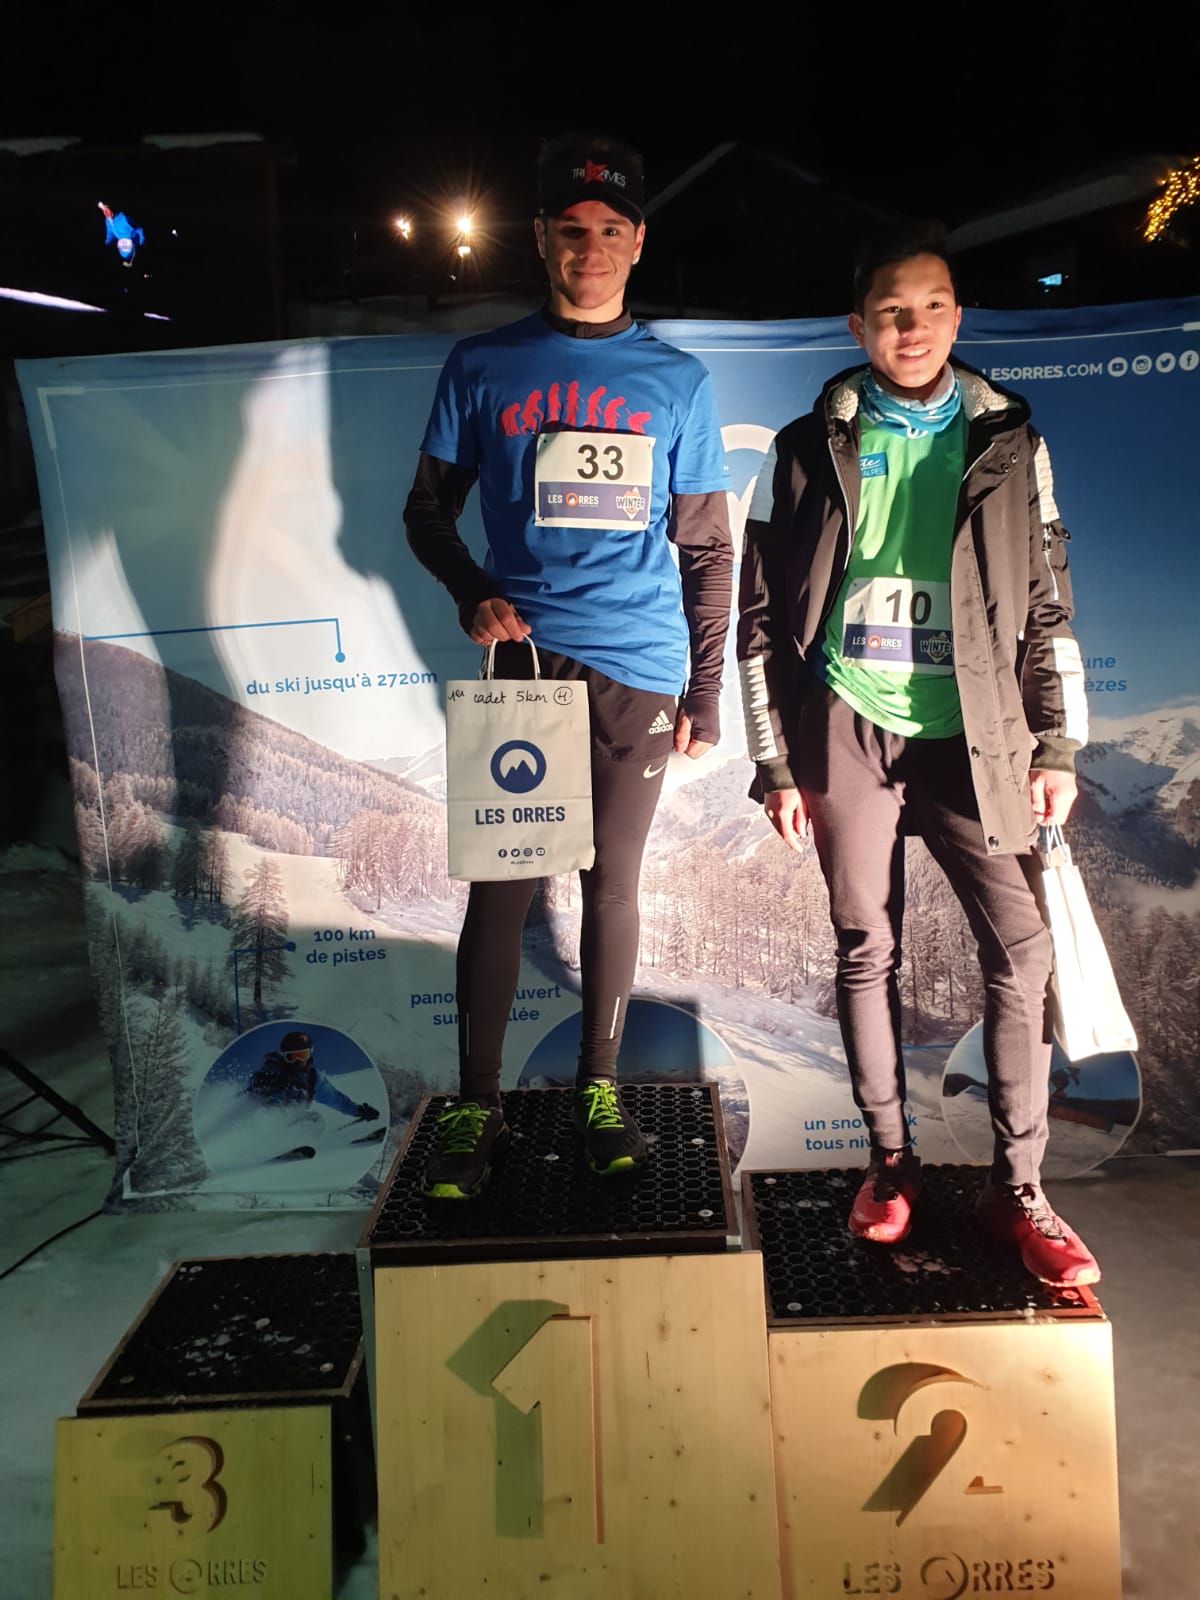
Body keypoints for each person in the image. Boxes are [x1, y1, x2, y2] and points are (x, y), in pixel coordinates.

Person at [737, 234, 1099, 1288]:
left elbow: (1048, 608)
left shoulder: (1012, 441)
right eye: (892, 311)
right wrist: (774, 762)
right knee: (867, 945)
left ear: (957, 318)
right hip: (845, 723)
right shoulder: (803, 447)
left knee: (1021, 951)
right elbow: (757, 618)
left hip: (972, 732)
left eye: (933, 307)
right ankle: (890, 1162)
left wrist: (1056, 742)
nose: (914, 328)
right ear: (859, 326)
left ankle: (1017, 1187)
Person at [404, 131, 732, 1199]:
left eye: (610, 231)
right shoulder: (482, 364)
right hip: (527, 664)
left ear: (637, 243)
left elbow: (707, 548)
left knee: (612, 885)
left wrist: (707, 691)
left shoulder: (677, 381)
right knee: (501, 890)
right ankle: (477, 1107)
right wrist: (470, 589)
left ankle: (601, 1091)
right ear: (543, 238)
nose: (590, 249)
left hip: (639, 669)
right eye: (571, 230)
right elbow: (425, 511)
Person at [247, 1030, 379, 1121]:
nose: (298, 1061)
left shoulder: (313, 1079)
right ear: (284, 1057)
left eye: (302, 1055)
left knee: (314, 1120)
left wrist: (359, 1111)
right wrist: (263, 1083)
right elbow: (250, 1091)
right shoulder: (274, 1069)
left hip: (288, 1123)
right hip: (262, 1117)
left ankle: (289, 1144)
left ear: (309, 1055)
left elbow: (335, 1098)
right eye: (292, 1057)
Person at [99, 202, 145, 266]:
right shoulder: (108, 220)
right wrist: (107, 241)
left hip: (132, 244)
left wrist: (141, 242)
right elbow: (110, 232)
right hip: (122, 246)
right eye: (103, 211)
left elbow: (139, 229)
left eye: (106, 210)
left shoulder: (124, 218)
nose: (105, 213)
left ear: (112, 208)